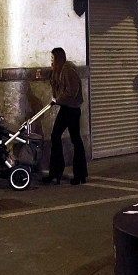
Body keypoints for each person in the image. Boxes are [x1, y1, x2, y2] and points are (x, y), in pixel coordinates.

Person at [45, 46, 86, 185]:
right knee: (55, 136)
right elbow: (57, 91)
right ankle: (55, 172)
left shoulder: (68, 70)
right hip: (65, 108)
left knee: (75, 139)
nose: (51, 61)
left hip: (73, 109)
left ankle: (79, 174)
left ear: (59, 58)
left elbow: (72, 92)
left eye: (53, 58)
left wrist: (58, 100)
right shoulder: (58, 71)